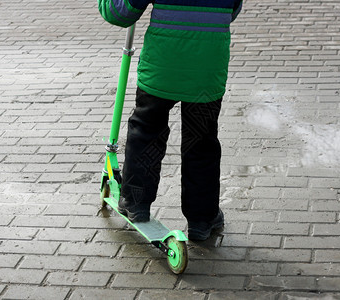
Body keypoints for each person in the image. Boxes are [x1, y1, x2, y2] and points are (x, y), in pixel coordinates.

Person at [98, 0, 243, 241]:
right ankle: (202, 218)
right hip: (207, 69)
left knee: (146, 132)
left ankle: (135, 201)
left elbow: (119, 13)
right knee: (202, 142)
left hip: (162, 67)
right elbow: (232, 11)